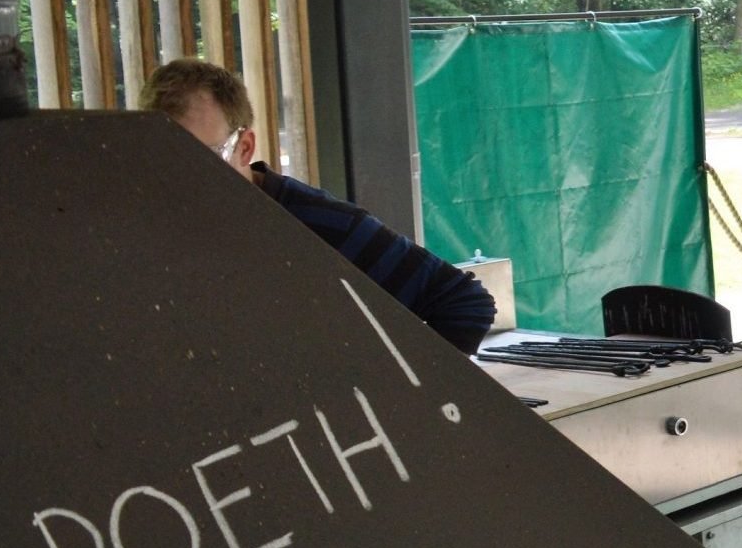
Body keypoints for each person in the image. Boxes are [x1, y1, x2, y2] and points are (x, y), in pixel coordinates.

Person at [149, 58, 497, 353]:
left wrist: (388, 402)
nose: (179, 176)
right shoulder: (142, 227)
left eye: (201, 157)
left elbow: (464, 304)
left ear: (244, 147)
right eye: (160, 159)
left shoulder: (321, 225)